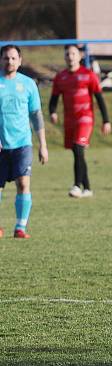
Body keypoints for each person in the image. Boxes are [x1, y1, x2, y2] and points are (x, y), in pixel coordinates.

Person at [49, 45, 112, 199]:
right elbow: (54, 98)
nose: (70, 56)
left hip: (85, 118)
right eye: (67, 54)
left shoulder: (88, 75)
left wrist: (106, 120)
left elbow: (99, 98)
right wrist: (52, 111)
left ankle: (77, 185)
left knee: (78, 148)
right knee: (78, 153)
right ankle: (88, 188)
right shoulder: (61, 77)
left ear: (79, 56)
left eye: (73, 53)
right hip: (69, 119)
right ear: (64, 57)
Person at [0, 45, 48, 239]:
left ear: (19, 61)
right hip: (1, 144)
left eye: (13, 58)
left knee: (23, 183)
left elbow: (36, 116)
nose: (9, 62)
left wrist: (43, 145)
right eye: (6, 58)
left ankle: (20, 228)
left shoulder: (28, 84)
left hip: (22, 143)